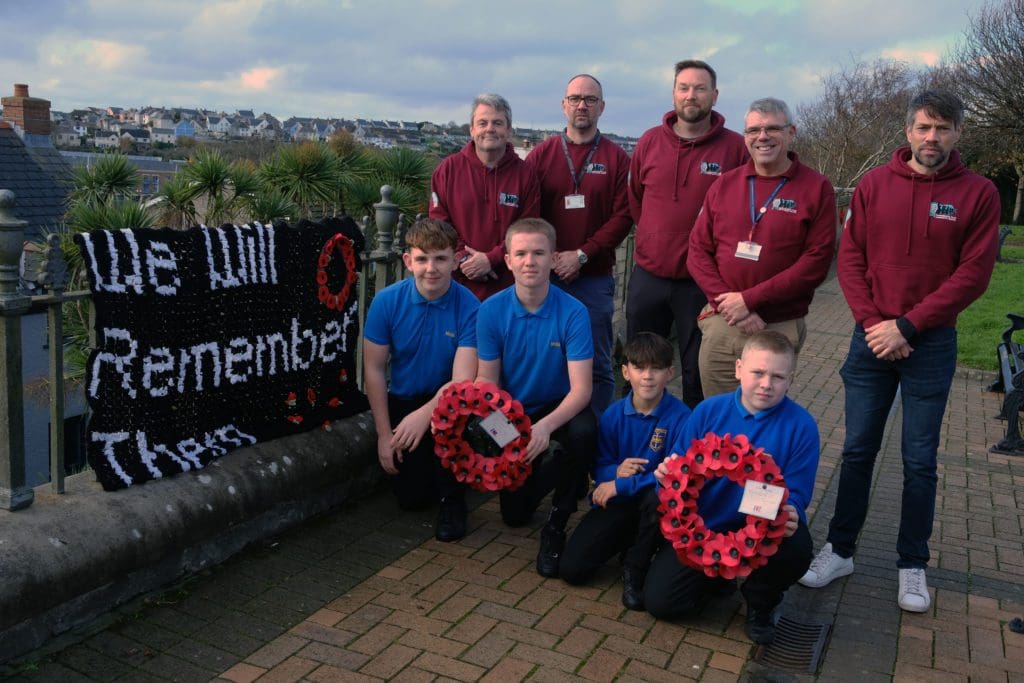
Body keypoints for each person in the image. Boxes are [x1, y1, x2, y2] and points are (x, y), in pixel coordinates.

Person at [800, 90, 1000, 613]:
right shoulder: (872, 185)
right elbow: (852, 258)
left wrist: (908, 326)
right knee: (858, 450)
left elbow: (973, 276)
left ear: (958, 132)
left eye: (943, 127)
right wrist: (874, 325)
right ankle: (840, 549)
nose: (932, 137)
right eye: (923, 127)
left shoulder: (978, 194)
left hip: (930, 344)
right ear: (908, 132)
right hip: (870, 341)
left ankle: (912, 564)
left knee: (920, 460)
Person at [650, 331, 818, 645]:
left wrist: (790, 509)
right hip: (705, 525)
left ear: (791, 379)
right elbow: (681, 465)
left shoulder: (802, 426)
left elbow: (797, 491)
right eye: (758, 372)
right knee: (662, 603)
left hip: (758, 526)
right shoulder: (709, 411)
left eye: (778, 376)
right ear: (739, 369)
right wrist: (667, 475)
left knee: (796, 545)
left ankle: (761, 601)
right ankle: (716, 580)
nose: (767, 384)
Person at [687, 97, 836, 398]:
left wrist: (750, 299)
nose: (762, 137)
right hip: (724, 321)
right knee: (719, 416)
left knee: (765, 417)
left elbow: (816, 262)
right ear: (745, 137)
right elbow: (697, 252)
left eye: (772, 129)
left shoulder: (816, 187)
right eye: (754, 130)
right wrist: (734, 307)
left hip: (777, 324)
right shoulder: (724, 184)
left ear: (791, 132)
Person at [476, 217, 598, 577]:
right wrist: (506, 431)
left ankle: (557, 524)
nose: (530, 261)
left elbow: (582, 390)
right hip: (510, 410)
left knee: (584, 432)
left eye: (539, 253)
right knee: (515, 516)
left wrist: (543, 428)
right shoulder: (490, 311)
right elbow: (487, 382)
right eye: (522, 253)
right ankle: (554, 470)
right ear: (509, 261)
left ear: (552, 258)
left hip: (558, 409)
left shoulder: (574, 312)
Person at [627, 59, 748, 409]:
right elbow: (636, 199)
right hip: (649, 277)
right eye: (684, 88)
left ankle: (697, 453)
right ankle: (636, 437)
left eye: (699, 88)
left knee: (698, 371)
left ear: (715, 94)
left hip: (703, 283)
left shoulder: (735, 149)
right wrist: (655, 239)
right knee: (642, 366)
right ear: (674, 94)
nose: (691, 95)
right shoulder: (650, 141)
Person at [363, 218, 480, 542]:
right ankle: (439, 472)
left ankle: (453, 501)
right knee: (410, 499)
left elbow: (461, 381)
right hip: (404, 398)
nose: (432, 268)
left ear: (456, 260)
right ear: (408, 261)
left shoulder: (469, 305)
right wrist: (384, 435)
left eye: (441, 258)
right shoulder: (387, 302)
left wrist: (423, 417)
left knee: (452, 424)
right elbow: (373, 370)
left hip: (451, 402)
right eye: (423, 259)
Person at [559, 332, 691, 610]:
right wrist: (615, 472)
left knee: (657, 501)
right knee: (572, 569)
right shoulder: (614, 414)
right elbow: (600, 469)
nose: (647, 376)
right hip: (619, 504)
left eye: (656, 368)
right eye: (639, 367)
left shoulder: (682, 418)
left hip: (653, 503)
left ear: (670, 372)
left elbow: (674, 482)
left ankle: (636, 567)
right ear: (625, 371)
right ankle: (627, 538)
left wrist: (622, 484)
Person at [527, 74, 633, 415]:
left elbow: (623, 217)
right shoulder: (541, 156)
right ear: (563, 105)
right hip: (546, 278)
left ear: (602, 107)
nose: (582, 105)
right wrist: (551, 256)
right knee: (543, 357)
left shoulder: (618, 159)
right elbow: (528, 214)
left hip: (594, 278)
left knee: (598, 365)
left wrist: (583, 255)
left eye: (590, 99)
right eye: (575, 99)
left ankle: (597, 443)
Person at [430, 93, 540, 301]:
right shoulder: (447, 170)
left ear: (508, 131)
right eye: (483, 122)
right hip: (456, 287)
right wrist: (464, 259)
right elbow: (439, 225)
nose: (490, 128)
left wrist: (492, 259)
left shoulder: (526, 175)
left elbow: (528, 228)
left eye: (497, 123)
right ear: (472, 129)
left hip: (509, 289)